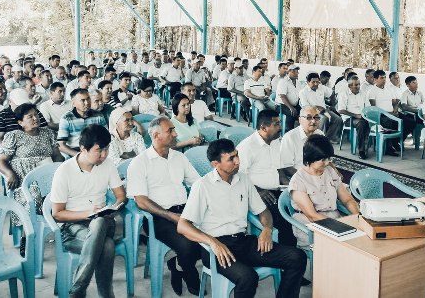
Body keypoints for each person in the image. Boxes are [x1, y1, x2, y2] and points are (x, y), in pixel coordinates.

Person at [177, 138, 307, 298]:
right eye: (231, 158)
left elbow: (263, 211)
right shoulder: (202, 186)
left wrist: (267, 229)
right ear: (215, 164)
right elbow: (182, 226)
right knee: (248, 278)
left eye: (237, 155)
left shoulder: (243, 179)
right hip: (216, 249)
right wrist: (213, 243)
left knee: (297, 257)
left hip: (243, 241)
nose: (238, 161)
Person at [127, 116, 202, 296]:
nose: (176, 134)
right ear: (155, 135)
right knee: (188, 244)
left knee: (218, 233)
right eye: (170, 131)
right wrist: (170, 216)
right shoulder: (139, 163)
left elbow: (197, 182)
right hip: (158, 218)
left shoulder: (179, 157)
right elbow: (141, 201)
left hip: (184, 211)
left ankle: (177, 264)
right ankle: (188, 271)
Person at [51, 125, 125, 298]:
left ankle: (76, 291)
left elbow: (121, 196)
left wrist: (113, 207)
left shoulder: (107, 165)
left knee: (99, 221)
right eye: (99, 150)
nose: (105, 155)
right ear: (83, 149)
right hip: (72, 228)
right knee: (106, 246)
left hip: (104, 222)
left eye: (107, 149)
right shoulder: (65, 171)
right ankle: (105, 294)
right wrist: (88, 213)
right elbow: (57, 213)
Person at [0, 103, 64, 252]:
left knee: (65, 193)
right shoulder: (13, 136)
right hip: (24, 180)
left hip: (48, 176)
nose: (35, 118)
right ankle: (27, 236)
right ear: (20, 122)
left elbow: (57, 156)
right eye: (30, 117)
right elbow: (1, 161)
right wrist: (10, 174)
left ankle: (65, 231)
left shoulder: (48, 133)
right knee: (34, 197)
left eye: (36, 115)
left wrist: (62, 171)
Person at [236, 109, 296, 246]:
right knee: (283, 218)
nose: (280, 127)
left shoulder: (275, 142)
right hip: (256, 193)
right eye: (276, 124)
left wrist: (289, 187)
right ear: (263, 127)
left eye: (279, 123)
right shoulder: (247, 147)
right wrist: (259, 191)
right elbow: (237, 176)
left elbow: (279, 170)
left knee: (300, 205)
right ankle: (287, 252)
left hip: (276, 190)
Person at [289, 134, 359, 247]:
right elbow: (312, 215)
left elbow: (347, 199)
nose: (327, 163)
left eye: (328, 158)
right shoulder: (298, 181)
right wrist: (342, 228)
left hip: (335, 220)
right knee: (346, 248)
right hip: (311, 226)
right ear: (310, 157)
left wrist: (358, 217)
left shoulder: (330, 171)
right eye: (323, 159)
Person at [367, 70, 415, 156]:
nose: (384, 79)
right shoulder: (372, 91)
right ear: (375, 79)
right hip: (380, 116)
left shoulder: (388, 89)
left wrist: (395, 109)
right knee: (392, 122)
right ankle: (388, 148)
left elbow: (395, 102)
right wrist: (389, 114)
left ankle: (395, 142)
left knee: (410, 122)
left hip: (392, 114)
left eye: (385, 77)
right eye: (381, 78)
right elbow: (374, 109)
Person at [57, 89, 108, 157]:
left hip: (95, 150)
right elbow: (61, 145)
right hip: (75, 152)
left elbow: (106, 137)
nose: (87, 102)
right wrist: (79, 155)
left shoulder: (99, 115)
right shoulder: (66, 118)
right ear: (73, 103)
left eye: (88, 99)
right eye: (82, 100)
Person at [279, 106, 325, 176]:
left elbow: (325, 159)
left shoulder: (320, 134)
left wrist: (335, 172)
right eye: (309, 118)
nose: (313, 121)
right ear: (300, 120)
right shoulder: (290, 137)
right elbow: (286, 167)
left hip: (318, 175)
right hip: (299, 176)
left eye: (316, 117)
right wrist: (306, 178)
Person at [299, 72, 342, 143]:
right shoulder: (303, 92)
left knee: (338, 119)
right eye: (313, 82)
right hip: (311, 112)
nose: (316, 84)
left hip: (324, 110)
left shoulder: (321, 87)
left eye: (317, 82)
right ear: (308, 82)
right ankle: (318, 139)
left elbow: (331, 93)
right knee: (323, 119)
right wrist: (317, 108)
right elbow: (306, 107)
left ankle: (328, 138)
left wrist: (332, 104)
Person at [337, 75, 369, 159]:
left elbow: (368, 107)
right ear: (349, 86)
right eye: (356, 85)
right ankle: (361, 150)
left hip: (363, 117)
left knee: (378, 121)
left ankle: (384, 148)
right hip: (349, 119)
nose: (358, 86)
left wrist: (366, 115)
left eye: (359, 84)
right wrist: (356, 115)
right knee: (361, 124)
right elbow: (340, 110)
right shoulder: (344, 94)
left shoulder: (363, 93)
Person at [275, 64, 302, 132]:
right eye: (293, 71)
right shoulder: (283, 81)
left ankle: (299, 133)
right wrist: (291, 108)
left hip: (294, 105)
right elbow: (282, 96)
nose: (296, 73)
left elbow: (300, 96)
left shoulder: (298, 83)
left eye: (297, 71)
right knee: (292, 114)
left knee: (305, 114)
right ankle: (288, 134)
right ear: (288, 72)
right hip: (282, 105)